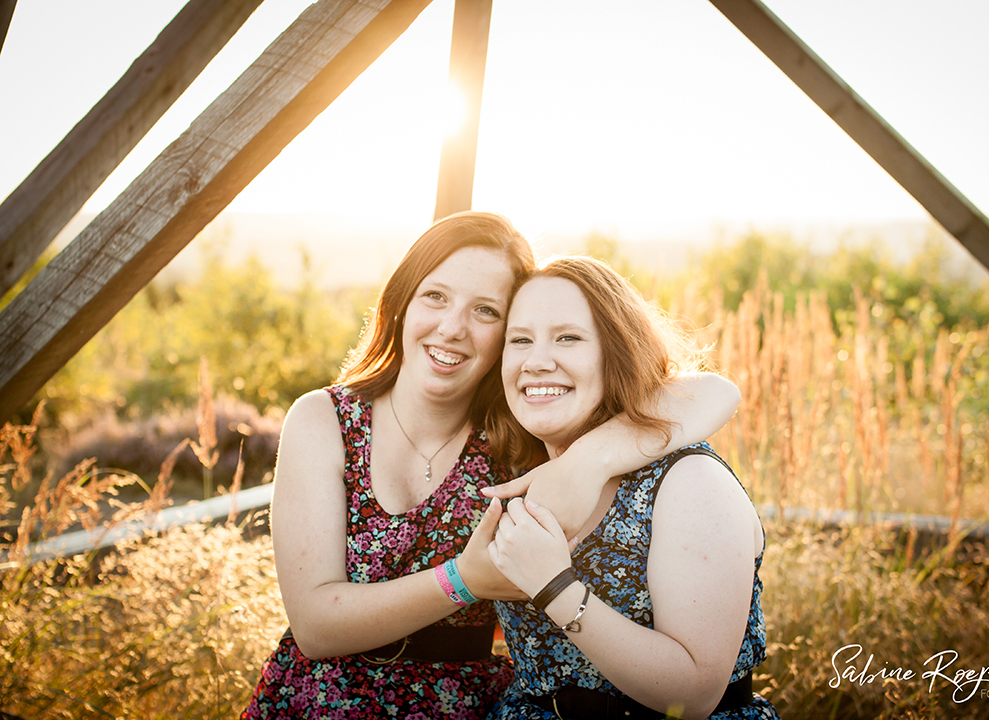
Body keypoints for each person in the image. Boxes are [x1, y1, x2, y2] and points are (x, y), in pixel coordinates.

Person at [241, 213, 741, 719]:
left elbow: (714, 392)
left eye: (485, 310)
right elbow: (314, 624)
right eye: (435, 296)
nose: (452, 328)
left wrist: (586, 462)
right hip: (320, 700)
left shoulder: (518, 432)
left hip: (465, 703)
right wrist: (464, 580)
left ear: (505, 333)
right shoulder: (326, 419)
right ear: (400, 303)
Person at [484, 256, 778, 720]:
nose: (537, 361)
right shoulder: (515, 468)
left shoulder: (687, 480)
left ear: (617, 352)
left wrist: (552, 584)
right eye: (520, 340)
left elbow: (694, 693)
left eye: (568, 337)